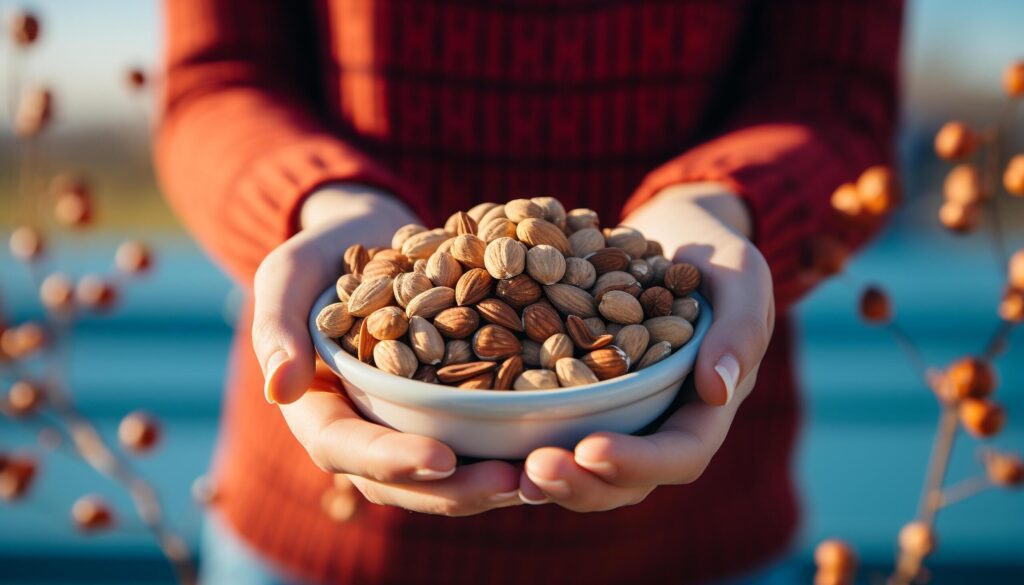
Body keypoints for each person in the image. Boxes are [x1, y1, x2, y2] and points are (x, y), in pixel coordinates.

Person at [155, 0, 902, 583]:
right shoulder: (423, 296)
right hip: (318, 534)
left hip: (699, 536)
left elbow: (839, 92)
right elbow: (217, 79)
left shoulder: (600, 290)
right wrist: (325, 202)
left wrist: (716, 208)